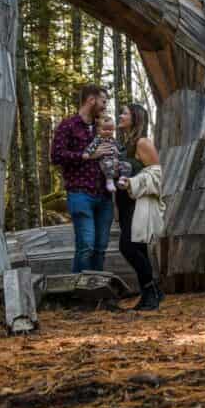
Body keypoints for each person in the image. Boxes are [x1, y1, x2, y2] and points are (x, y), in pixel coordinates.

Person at [51, 84, 115, 273]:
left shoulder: (102, 126)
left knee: (100, 248)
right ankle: (79, 295)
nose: (105, 106)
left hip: (104, 195)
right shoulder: (68, 125)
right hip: (80, 194)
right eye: (103, 101)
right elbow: (56, 156)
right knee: (86, 245)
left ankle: (97, 294)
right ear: (91, 100)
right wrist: (86, 156)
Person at [115, 103, 166, 310]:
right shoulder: (125, 144)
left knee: (127, 247)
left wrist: (132, 183)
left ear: (135, 118)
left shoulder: (143, 143)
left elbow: (156, 175)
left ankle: (152, 290)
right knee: (139, 250)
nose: (120, 115)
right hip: (126, 204)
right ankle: (149, 296)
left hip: (139, 204)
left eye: (124, 112)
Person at [86, 114, 122, 193]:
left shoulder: (112, 139)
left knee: (126, 165)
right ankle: (109, 180)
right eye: (105, 129)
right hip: (105, 160)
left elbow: (119, 148)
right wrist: (87, 153)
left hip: (115, 160)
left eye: (110, 129)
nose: (108, 131)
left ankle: (122, 178)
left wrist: (118, 152)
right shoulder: (98, 139)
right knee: (108, 164)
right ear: (98, 129)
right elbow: (92, 146)